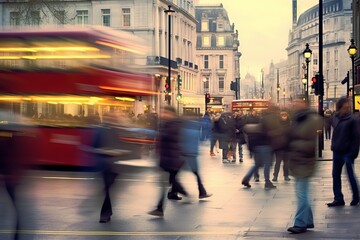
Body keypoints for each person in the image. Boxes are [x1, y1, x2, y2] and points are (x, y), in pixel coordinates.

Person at [286, 97, 322, 234]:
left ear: (305, 103)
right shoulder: (297, 118)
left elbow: (309, 143)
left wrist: (294, 144)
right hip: (298, 160)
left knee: (302, 194)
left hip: (304, 161)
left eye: (298, 102)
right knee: (303, 192)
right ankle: (308, 220)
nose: (295, 104)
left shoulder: (311, 119)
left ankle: (300, 223)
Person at [148, 106, 188, 217]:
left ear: (171, 113)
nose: (162, 114)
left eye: (164, 112)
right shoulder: (167, 124)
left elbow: (168, 139)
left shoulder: (173, 125)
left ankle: (160, 208)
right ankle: (160, 208)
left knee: (168, 183)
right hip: (167, 157)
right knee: (170, 182)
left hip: (172, 158)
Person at [327, 97, 360, 207]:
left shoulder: (353, 119)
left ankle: (356, 197)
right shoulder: (335, 118)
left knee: (350, 175)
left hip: (348, 152)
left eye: (348, 106)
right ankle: (338, 198)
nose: (347, 108)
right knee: (335, 175)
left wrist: (353, 153)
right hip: (337, 150)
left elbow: (356, 137)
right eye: (345, 106)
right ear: (340, 107)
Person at [241, 106, 279, 189]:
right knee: (267, 164)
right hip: (265, 145)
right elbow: (270, 133)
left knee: (257, 164)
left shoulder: (262, 119)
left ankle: (246, 179)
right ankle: (267, 182)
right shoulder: (271, 120)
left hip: (256, 145)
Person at [179, 113, 212, 199]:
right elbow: (200, 138)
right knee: (196, 173)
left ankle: (173, 192)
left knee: (175, 174)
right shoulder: (196, 128)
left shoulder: (183, 128)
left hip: (184, 153)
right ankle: (202, 192)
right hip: (192, 153)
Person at [272, 111, 291, 182]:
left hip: (287, 146)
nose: (284, 117)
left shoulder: (290, 124)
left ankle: (286, 175)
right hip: (279, 146)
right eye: (282, 115)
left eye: (285, 115)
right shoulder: (277, 124)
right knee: (278, 162)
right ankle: (275, 176)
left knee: (286, 163)